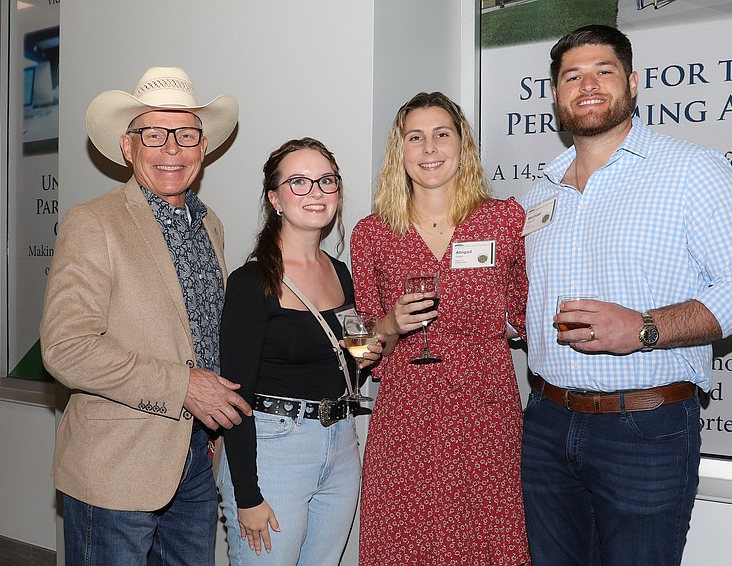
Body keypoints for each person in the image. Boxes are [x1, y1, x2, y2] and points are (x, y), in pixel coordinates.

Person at [520, 25, 732, 566]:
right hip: (545, 423)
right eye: (572, 76)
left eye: (603, 71)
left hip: (645, 428)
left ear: (633, 83)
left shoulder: (692, 170)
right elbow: (530, 298)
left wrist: (642, 328)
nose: (587, 85)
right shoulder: (538, 192)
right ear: (555, 95)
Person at [40, 66, 251, 565]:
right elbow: (67, 349)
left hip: (196, 460)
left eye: (185, 134)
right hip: (116, 468)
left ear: (203, 147)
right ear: (127, 147)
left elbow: (202, 334)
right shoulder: (92, 223)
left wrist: (214, 430)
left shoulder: (210, 225)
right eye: (153, 134)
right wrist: (183, 388)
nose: (171, 148)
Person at [351, 92, 531, 565]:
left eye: (441, 134)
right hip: (405, 413)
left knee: (484, 536)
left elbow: (527, 314)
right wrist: (388, 326)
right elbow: (360, 350)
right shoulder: (372, 233)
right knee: (404, 535)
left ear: (461, 144)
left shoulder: (504, 220)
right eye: (416, 137)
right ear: (400, 151)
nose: (430, 149)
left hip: (483, 409)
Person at [217, 137, 382, 565]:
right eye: (299, 182)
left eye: (326, 181)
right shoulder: (252, 283)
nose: (316, 192)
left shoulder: (340, 273)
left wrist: (387, 332)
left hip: (341, 445)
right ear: (275, 198)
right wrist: (248, 495)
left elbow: (356, 356)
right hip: (275, 450)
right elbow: (234, 397)